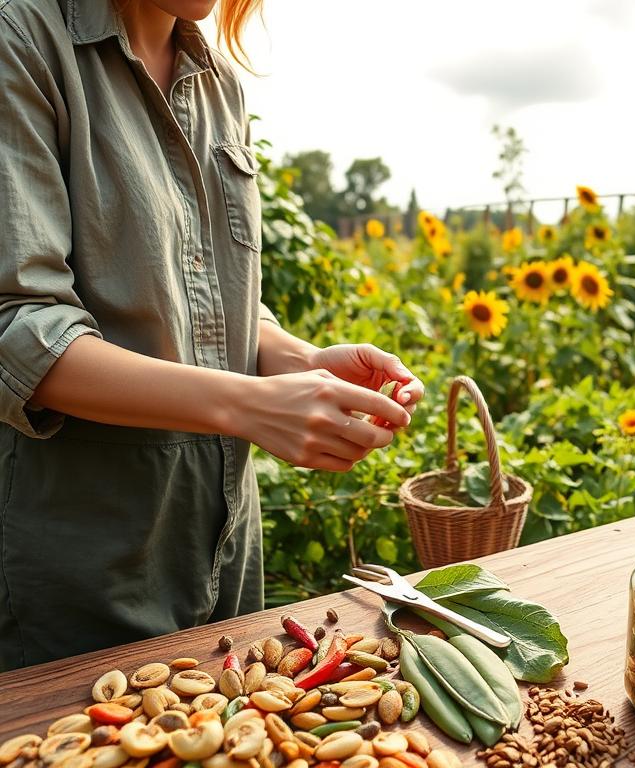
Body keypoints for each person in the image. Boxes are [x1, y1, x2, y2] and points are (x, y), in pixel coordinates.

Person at [0, 0, 424, 670]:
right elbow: (20, 332)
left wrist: (299, 360)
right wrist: (250, 406)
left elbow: (220, 304)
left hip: (228, 562)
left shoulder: (220, 84)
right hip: (84, 578)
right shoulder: (22, 38)